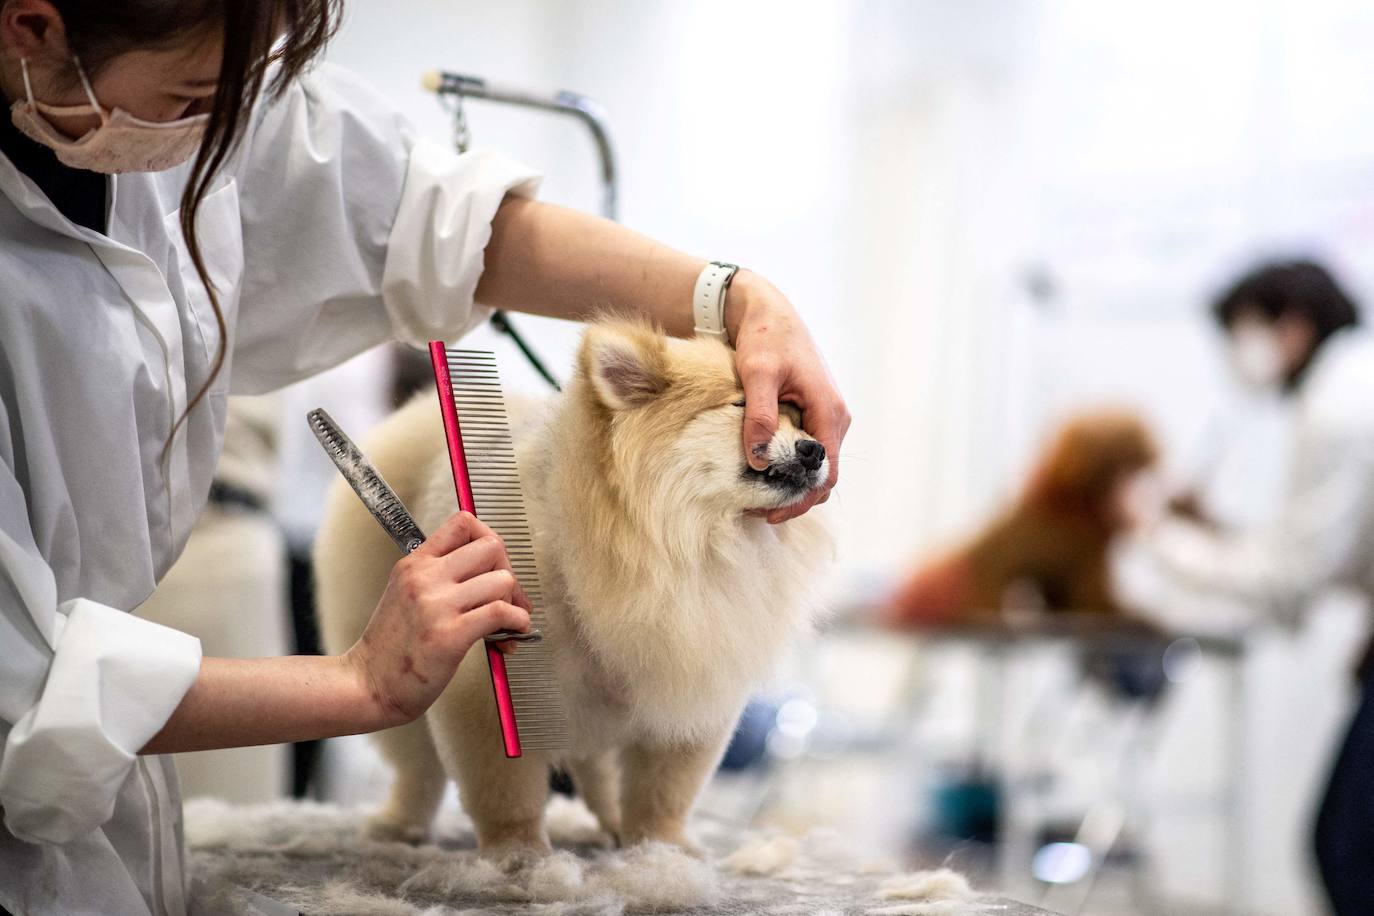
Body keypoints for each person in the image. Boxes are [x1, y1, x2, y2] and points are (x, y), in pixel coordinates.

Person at [0, 2, 851, 914]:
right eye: (196, 94)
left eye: (243, 95)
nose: (228, 133)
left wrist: (734, 294)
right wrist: (354, 683)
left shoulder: (188, 108)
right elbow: (25, 691)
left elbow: (433, 216)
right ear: (34, 28)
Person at [1142, 259, 1373, 915]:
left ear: (1293, 327)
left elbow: (1288, 575)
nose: (1237, 358)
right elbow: (1323, 547)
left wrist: (1154, 532)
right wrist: (1211, 530)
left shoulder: (1338, 410)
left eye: (1242, 334)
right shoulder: (1354, 385)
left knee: (1348, 851)